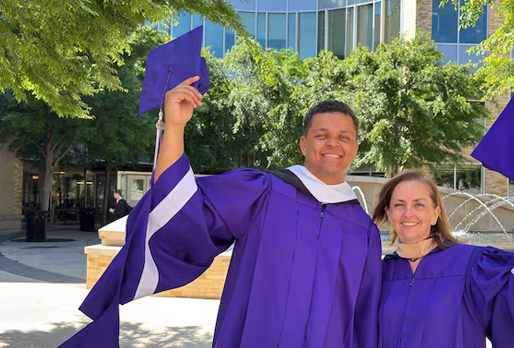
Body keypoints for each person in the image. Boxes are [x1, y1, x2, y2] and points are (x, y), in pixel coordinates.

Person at [60, 77, 381, 348]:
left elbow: (365, 318)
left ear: (355, 148)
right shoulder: (265, 192)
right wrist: (174, 127)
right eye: (321, 135)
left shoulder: (363, 231)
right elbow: (182, 210)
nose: (332, 144)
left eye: (344, 137)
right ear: (302, 144)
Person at [372, 170, 514, 348]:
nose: (408, 213)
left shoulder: (471, 266)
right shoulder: (380, 273)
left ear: (435, 214)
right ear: (389, 213)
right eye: (399, 205)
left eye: (419, 204)